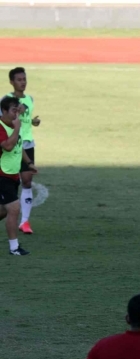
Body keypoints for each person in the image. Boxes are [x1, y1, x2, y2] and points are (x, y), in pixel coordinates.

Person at [5, 67, 41, 234]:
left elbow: (27, 120)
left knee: (26, 181)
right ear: (12, 82)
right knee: (9, 182)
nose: (23, 82)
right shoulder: (6, 100)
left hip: (27, 144)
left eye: (24, 79)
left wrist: (33, 122)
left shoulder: (30, 99)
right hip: (11, 145)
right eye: (19, 79)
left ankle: (25, 222)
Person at [0, 96, 36, 255]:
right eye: (13, 110)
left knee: (3, 211)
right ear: (4, 111)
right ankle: (14, 248)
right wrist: (16, 128)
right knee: (14, 208)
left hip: (12, 175)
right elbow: (8, 146)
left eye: (17, 109)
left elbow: (19, 146)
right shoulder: (1, 127)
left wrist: (29, 163)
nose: (16, 113)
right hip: (2, 175)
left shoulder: (14, 125)